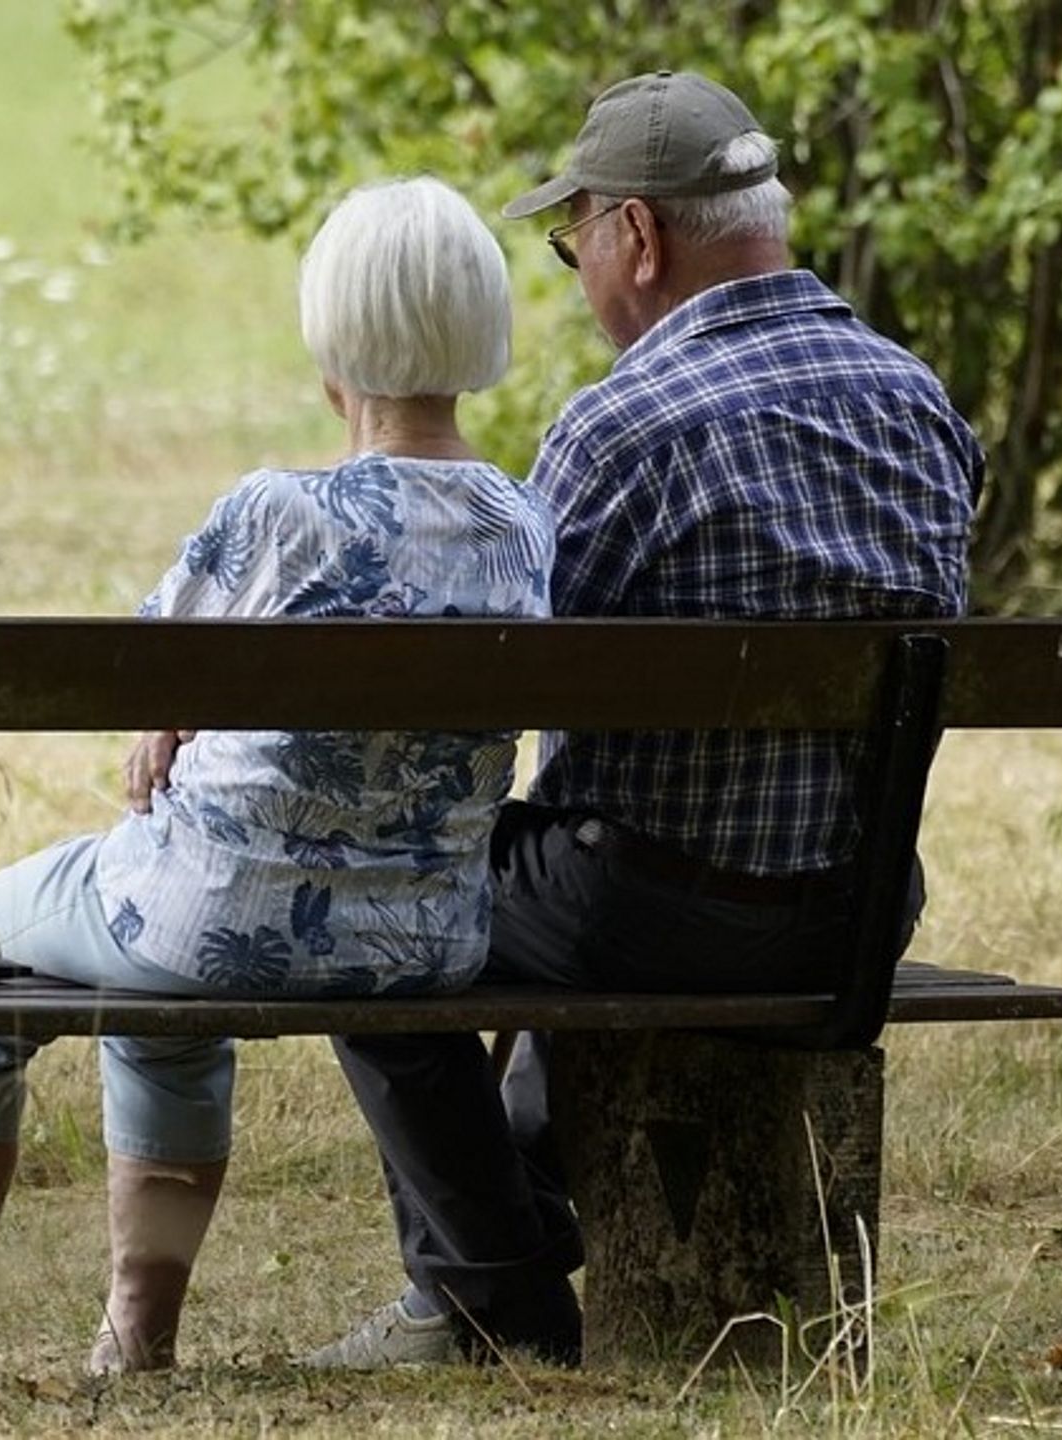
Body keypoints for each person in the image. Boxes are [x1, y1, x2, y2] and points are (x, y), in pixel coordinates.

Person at [307, 71, 984, 1369]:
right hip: (853, 913)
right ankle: (510, 1235)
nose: (577, 278)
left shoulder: (619, 428)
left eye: (571, 250)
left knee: (365, 901)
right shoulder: (918, 404)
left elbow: (499, 691)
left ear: (634, 234)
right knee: (570, 864)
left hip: (654, 915)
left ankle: (489, 1291)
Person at [0, 176, 555, 1382]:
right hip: (425, 940)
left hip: (210, 918)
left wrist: (168, 717)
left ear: (331, 337)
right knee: (152, 992)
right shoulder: (523, 524)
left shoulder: (278, 513)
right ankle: (136, 1341)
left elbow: (140, 668)